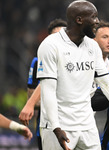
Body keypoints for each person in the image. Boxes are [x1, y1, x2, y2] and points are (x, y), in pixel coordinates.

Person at [30, 1, 109, 150]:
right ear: (79, 20)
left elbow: (108, 86)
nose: (97, 22)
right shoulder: (51, 45)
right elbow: (48, 91)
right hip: (59, 125)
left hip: (87, 125)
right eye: (94, 17)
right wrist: (56, 127)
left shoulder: (92, 47)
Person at [27, 18, 67, 150]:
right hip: (46, 127)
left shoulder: (75, 61)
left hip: (72, 126)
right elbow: (32, 100)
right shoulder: (38, 61)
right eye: (55, 36)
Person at [92, 20, 109, 137]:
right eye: (105, 37)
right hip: (68, 120)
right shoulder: (82, 63)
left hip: (89, 123)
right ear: (94, 41)